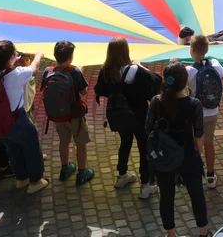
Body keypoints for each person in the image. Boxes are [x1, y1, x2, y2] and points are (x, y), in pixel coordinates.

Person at [145, 62, 210, 237]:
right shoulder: (193, 104)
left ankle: (171, 234)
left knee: (166, 196)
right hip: (188, 155)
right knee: (197, 196)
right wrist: (198, 154)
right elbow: (199, 134)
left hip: (163, 158)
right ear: (185, 81)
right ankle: (204, 233)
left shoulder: (156, 102)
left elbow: (148, 129)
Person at [94, 37, 159, 198]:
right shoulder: (135, 71)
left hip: (119, 116)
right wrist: (140, 65)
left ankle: (122, 176)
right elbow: (156, 82)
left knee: (125, 142)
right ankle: (146, 184)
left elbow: (99, 90)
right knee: (144, 148)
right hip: (139, 116)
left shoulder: (105, 71)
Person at [0, 40, 47, 193]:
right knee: (31, 149)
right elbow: (33, 69)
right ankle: (35, 181)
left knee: (13, 150)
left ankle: (21, 179)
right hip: (17, 119)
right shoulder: (16, 74)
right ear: (10, 58)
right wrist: (38, 56)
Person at [41, 41, 94, 186]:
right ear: (71, 57)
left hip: (58, 117)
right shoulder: (75, 71)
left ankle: (65, 168)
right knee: (80, 143)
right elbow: (84, 91)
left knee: (64, 141)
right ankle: (82, 173)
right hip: (75, 116)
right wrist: (80, 74)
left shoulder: (48, 70)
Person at [185, 34, 223, 188]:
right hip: (213, 111)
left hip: (196, 113)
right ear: (207, 49)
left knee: (196, 144)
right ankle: (210, 176)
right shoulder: (215, 63)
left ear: (192, 50)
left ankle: (194, 173)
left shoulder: (189, 70)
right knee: (209, 143)